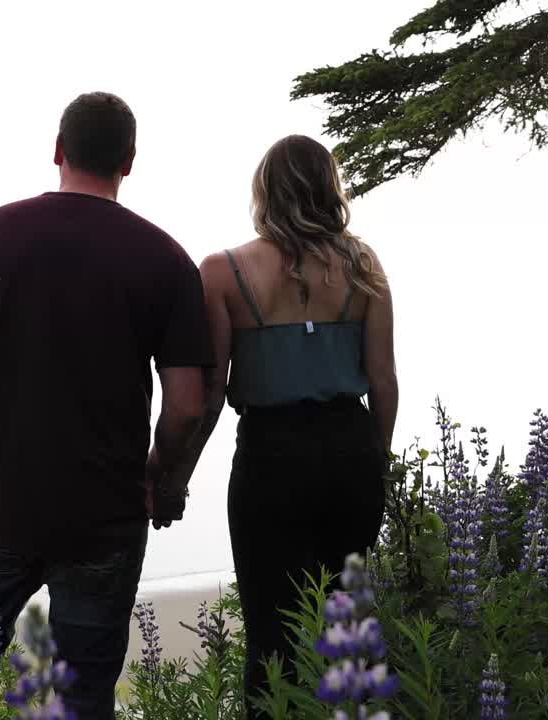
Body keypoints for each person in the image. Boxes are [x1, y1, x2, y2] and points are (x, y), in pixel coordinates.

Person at [0, 91, 213, 718]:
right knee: (84, 692)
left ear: (58, 150)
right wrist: (160, 475)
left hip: (0, 505)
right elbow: (188, 403)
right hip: (105, 516)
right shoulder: (164, 259)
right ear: (128, 163)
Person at [170, 135, 397, 719]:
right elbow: (385, 384)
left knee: (272, 627)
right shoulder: (364, 266)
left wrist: (176, 475)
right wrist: (378, 463)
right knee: (347, 617)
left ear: (264, 191)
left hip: (270, 459)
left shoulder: (222, 272)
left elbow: (211, 394)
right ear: (330, 188)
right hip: (350, 450)